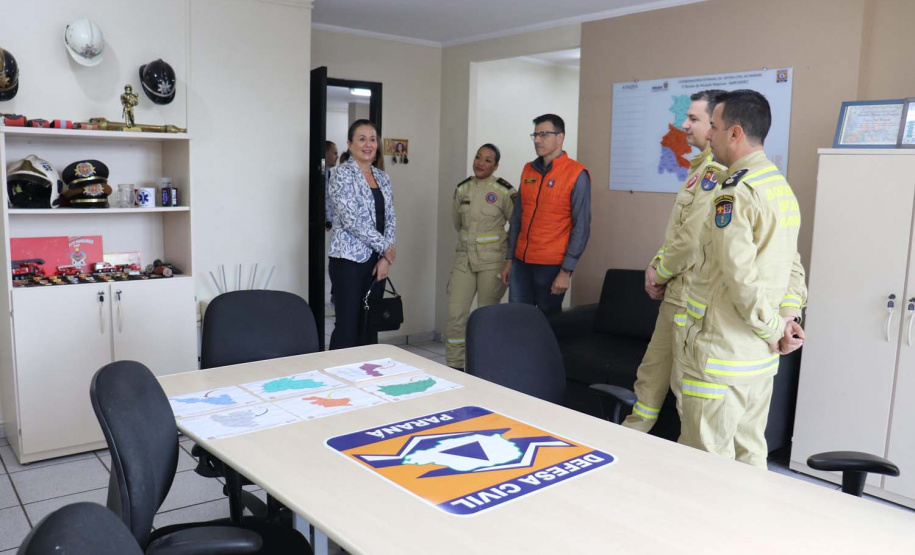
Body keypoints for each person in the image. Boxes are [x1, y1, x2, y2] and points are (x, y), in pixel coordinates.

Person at [675, 89, 806, 467]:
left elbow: (740, 277)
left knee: (705, 464)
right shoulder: (781, 188)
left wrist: (770, 329)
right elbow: (793, 264)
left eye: (713, 127)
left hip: (721, 356)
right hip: (759, 362)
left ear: (734, 133)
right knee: (750, 457)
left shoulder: (735, 192)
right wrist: (787, 319)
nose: (709, 136)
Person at [622, 90, 727, 433]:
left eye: (693, 119)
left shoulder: (715, 172)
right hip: (674, 295)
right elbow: (676, 233)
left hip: (690, 299)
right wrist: (656, 265)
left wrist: (660, 273)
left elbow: (692, 238)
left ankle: (691, 465)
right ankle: (632, 438)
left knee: (686, 387)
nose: (684, 125)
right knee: (650, 375)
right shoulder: (698, 169)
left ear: (715, 126)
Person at [502, 114, 590, 315]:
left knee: (547, 323)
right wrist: (509, 259)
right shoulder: (528, 170)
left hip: (551, 266)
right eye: (534, 134)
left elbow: (582, 227)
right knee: (517, 318)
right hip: (521, 263)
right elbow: (517, 219)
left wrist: (566, 271)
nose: (537, 140)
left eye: (543, 134)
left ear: (560, 138)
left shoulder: (576, 174)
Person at [328, 119, 396, 349]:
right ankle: (337, 377)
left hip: (377, 262)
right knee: (348, 326)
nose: (368, 144)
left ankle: (367, 378)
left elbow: (390, 218)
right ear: (350, 144)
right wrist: (385, 247)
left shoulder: (383, 178)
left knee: (370, 324)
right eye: (362, 139)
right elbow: (351, 219)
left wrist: (386, 258)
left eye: (373, 139)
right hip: (348, 261)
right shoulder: (340, 174)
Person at [446, 144, 516, 369]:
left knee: (486, 317)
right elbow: (458, 224)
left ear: (495, 166)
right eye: (478, 157)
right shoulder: (462, 189)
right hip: (464, 259)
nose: (480, 163)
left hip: (492, 262)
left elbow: (517, 227)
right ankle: (455, 367)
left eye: (487, 160)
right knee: (456, 315)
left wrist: (509, 261)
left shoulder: (504, 192)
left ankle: (486, 367)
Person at [325, 140, 338, 228]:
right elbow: (324, 198)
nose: (337, 156)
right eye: (335, 153)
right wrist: (328, 219)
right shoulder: (322, 175)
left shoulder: (328, 173)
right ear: (325, 154)